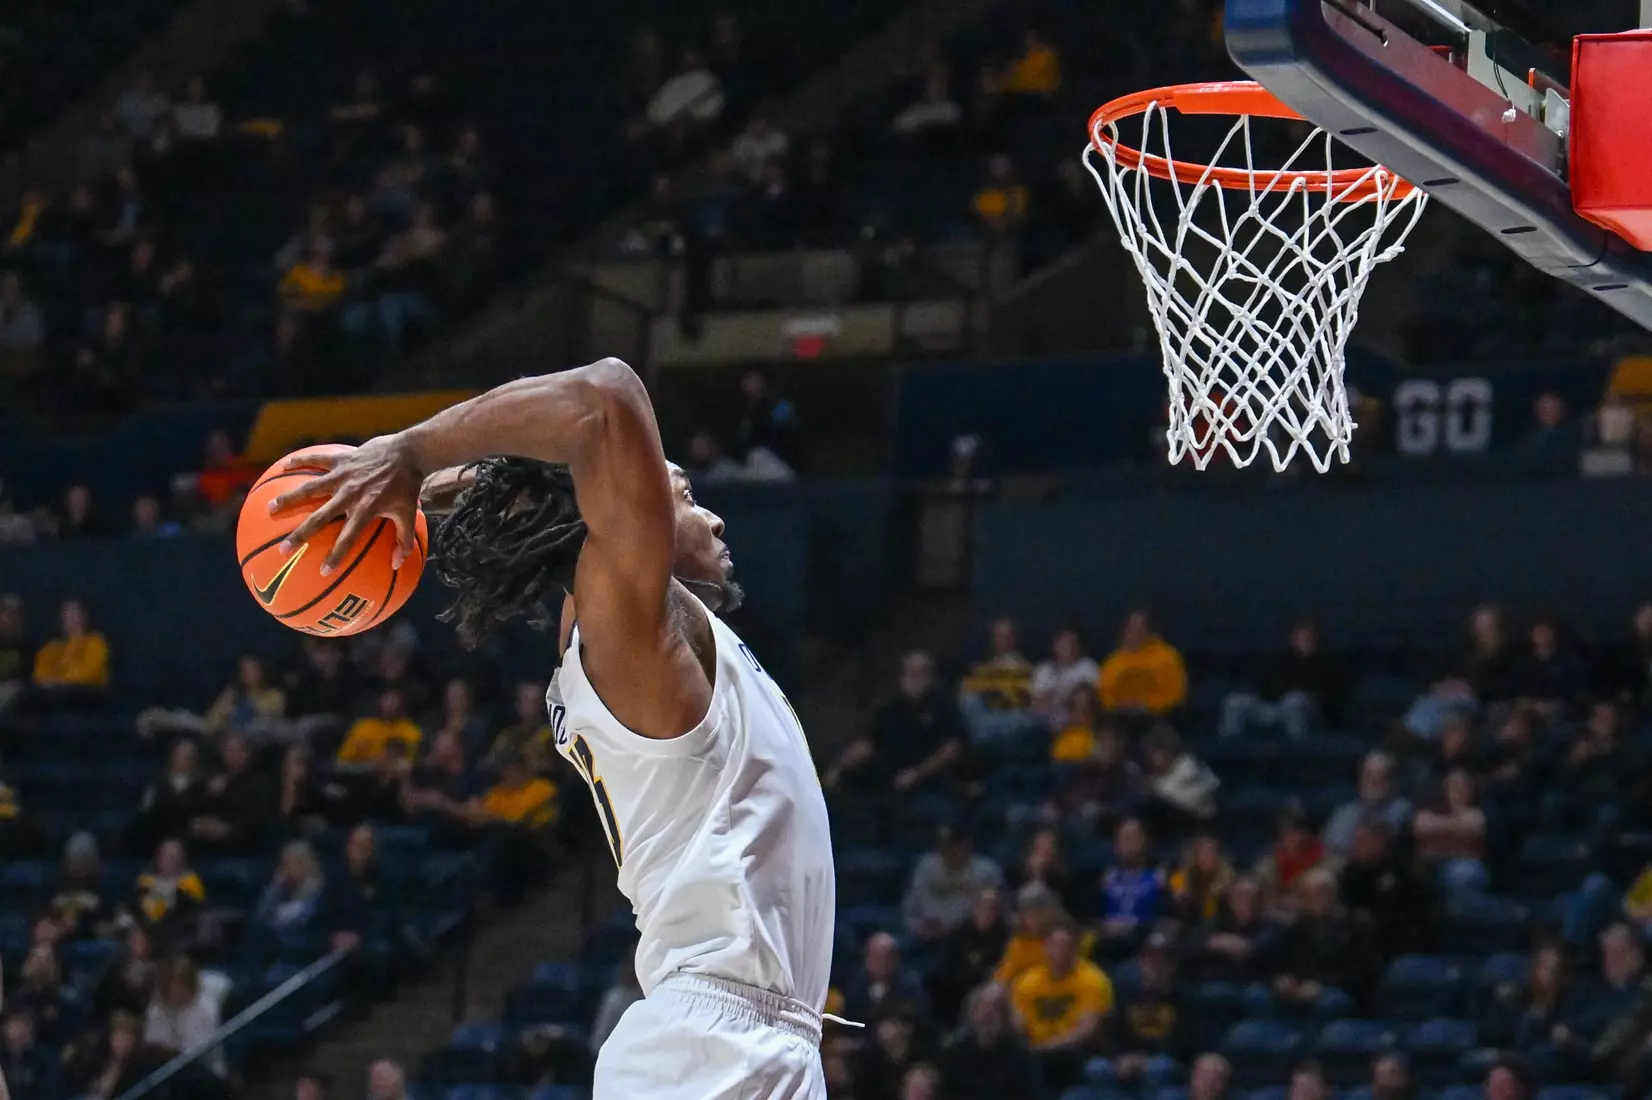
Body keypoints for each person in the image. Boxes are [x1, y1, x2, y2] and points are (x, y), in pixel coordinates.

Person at [270, 357, 838, 1099]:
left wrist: (432, 485)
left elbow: (546, 488)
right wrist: (408, 453)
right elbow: (604, 396)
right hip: (720, 1047)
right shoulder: (631, 630)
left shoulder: (613, 626)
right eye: (684, 494)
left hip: (732, 1039)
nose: (714, 516)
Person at [1010, 924, 1112, 1089]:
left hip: (1074, 1051)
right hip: (1034, 1050)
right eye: (1055, 945)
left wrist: (1043, 1048)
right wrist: (1025, 1047)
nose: (1061, 951)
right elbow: (1018, 1024)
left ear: (1075, 949)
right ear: (1045, 948)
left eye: (1066, 945)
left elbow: (1086, 1031)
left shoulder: (1092, 979)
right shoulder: (1027, 981)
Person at [940, 983, 1044, 1100]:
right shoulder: (956, 1051)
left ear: (1006, 1017)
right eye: (983, 1007)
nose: (988, 1014)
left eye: (996, 1008)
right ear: (972, 1012)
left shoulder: (1023, 1058)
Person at [902, 825, 1004, 941]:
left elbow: (996, 912)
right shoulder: (926, 866)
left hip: (968, 937)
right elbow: (911, 904)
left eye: (954, 846)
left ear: (967, 845)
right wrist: (918, 925)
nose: (948, 852)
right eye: (945, 847)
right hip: (925, 936)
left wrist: (956, 929)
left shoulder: (987, 870)